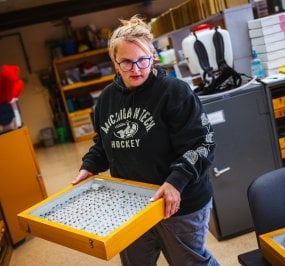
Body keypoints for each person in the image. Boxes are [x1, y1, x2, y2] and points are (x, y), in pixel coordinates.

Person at [72, 14, 219, 266]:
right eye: (127, 62)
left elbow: (202, 144)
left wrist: (175, 182)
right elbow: (104, 143)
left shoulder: (174, 92)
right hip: (132, 205)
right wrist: (89, 166)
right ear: (114, 61)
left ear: (153, 55)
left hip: (179, 204)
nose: (137, 69)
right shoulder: (106, 100)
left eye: (143, 60)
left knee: (190, 263)